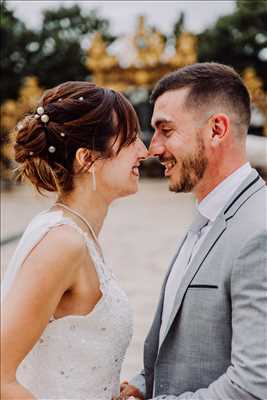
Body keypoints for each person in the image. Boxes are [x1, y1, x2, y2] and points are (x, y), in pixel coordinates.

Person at [118, 63, 267, 400]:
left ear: (216, 130)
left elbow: (254, 386)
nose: (153, 148)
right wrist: (143, 385)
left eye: (165, 130)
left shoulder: (259, 232)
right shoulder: (209, 215)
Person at [1, 81, 148, 400]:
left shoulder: (77, 234)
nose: (144, 151)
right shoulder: (62, 243)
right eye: (131, 140)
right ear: (87, 159)